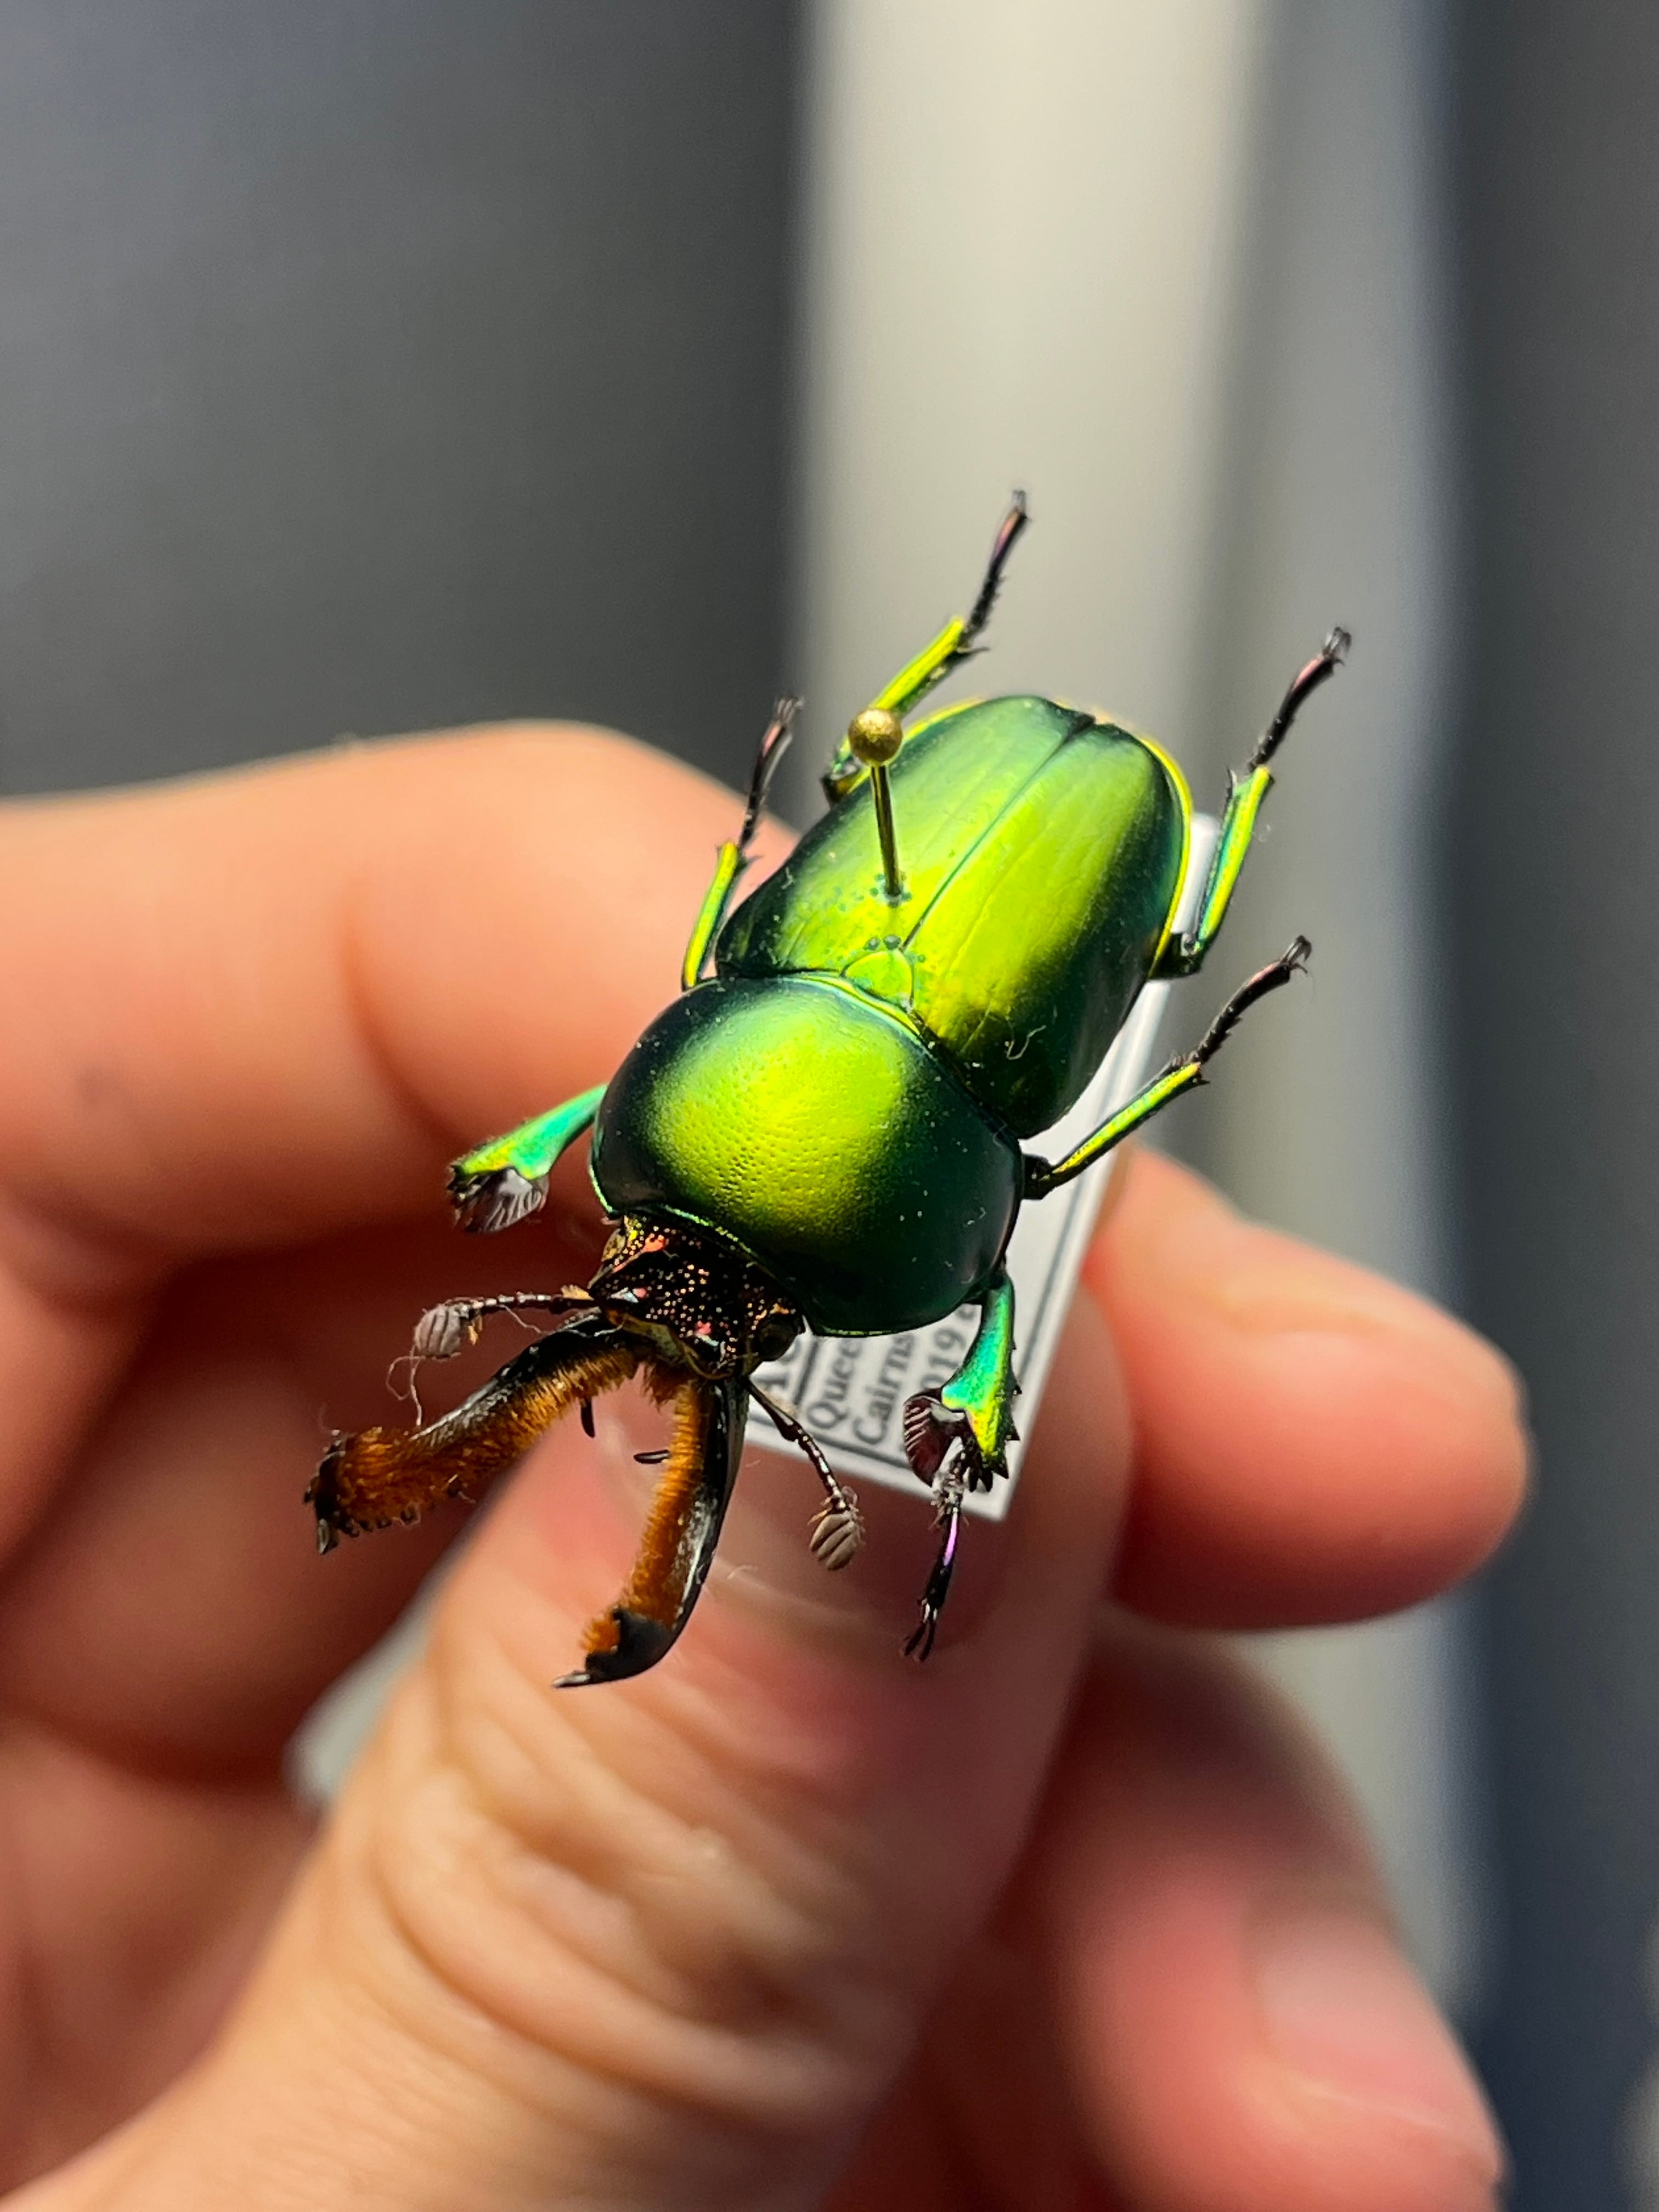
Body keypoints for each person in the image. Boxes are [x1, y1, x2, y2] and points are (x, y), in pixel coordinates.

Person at [0, 722, 1523, 2212]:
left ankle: (1258, 744)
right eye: (658, 1263)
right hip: (878, 958)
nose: (680, 1329)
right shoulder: (768, 1074)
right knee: (1113, 997)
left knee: (1069, 982)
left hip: (947, 894)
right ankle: (1262, 744)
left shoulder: (779, 1053)